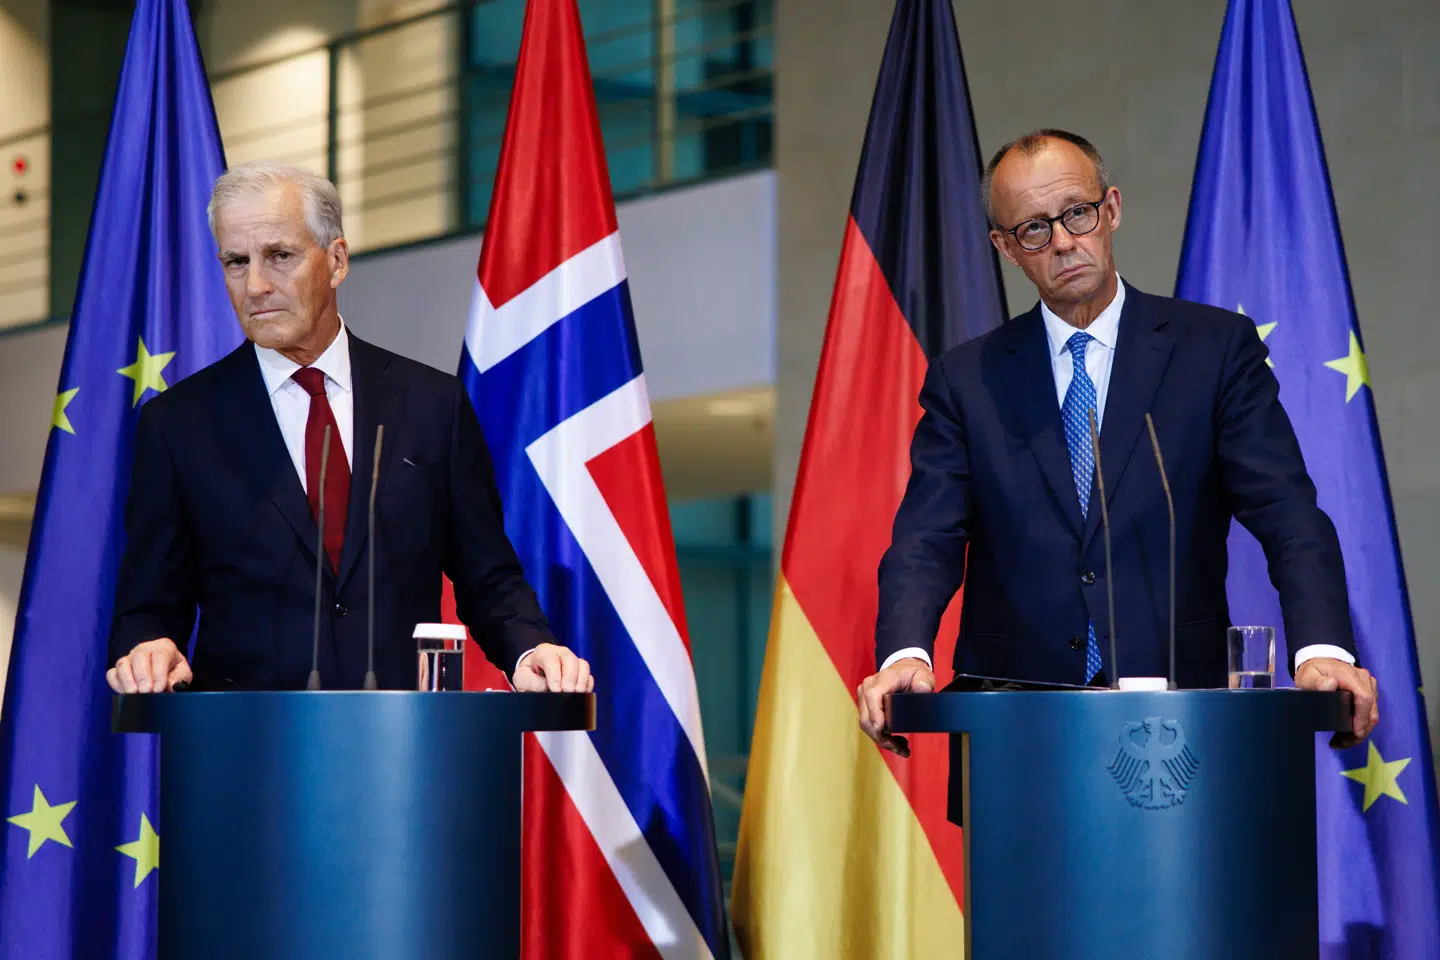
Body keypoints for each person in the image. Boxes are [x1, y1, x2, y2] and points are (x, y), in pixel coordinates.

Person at [857, 129, 1377, 757]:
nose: (1064, 241)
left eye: (1077, 212)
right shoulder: (966, 380)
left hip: (1186, 720)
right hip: (1017, 733)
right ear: (1006, 248)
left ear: (1112, 209)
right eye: (1034, 229)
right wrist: (904, 653)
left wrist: (1321, 649)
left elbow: (1288, 513)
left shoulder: (1213, 350)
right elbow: (926, 535)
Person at [106, 161, 592, 695]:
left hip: (403, 743)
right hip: (249, 753)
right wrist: (150, 647)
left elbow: (488, 574)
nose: (257, 284)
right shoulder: (178, 424)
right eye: (236, 262)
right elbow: (148, 606)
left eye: (280, 256)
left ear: (336, 260)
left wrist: (530, 647)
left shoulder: (432, 404)